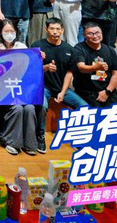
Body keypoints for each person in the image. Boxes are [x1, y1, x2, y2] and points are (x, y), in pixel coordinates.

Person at [34, 17, 88, 154]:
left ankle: (78, 139)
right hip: (43, 87)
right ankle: (40, 136)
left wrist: (63, 92)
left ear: (62, 30)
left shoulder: (69, 49)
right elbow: (31, 69)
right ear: (46, 29)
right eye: (52, 28)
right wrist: (45, 66)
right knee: (42, 106)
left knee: (84, 107)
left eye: (58, 29)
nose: (55, 32)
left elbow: (69, 73)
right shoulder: (37, 46)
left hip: (62, 87)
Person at [0, 20, 37, 156]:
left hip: (21, 89)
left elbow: (30, 65)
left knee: (29, 108)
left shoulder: (21, 46)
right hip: (3, 90)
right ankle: (11, 141)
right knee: (17, 108)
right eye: (6, 31)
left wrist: (38, 57)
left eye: (12, 31)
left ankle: (30, 143)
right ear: (0, 32)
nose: (9, 34)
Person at [71, 22, 117, 108]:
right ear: (84, 35)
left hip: (107, 90)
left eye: (97, 33)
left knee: (116, 112)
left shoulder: (110, 50)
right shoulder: (79, 48)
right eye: (90, 33)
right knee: (96, 113)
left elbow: (116, 74)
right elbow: (81, 67)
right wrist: (96, 67)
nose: (95, 36)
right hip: (87, 92)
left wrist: (107, 91)